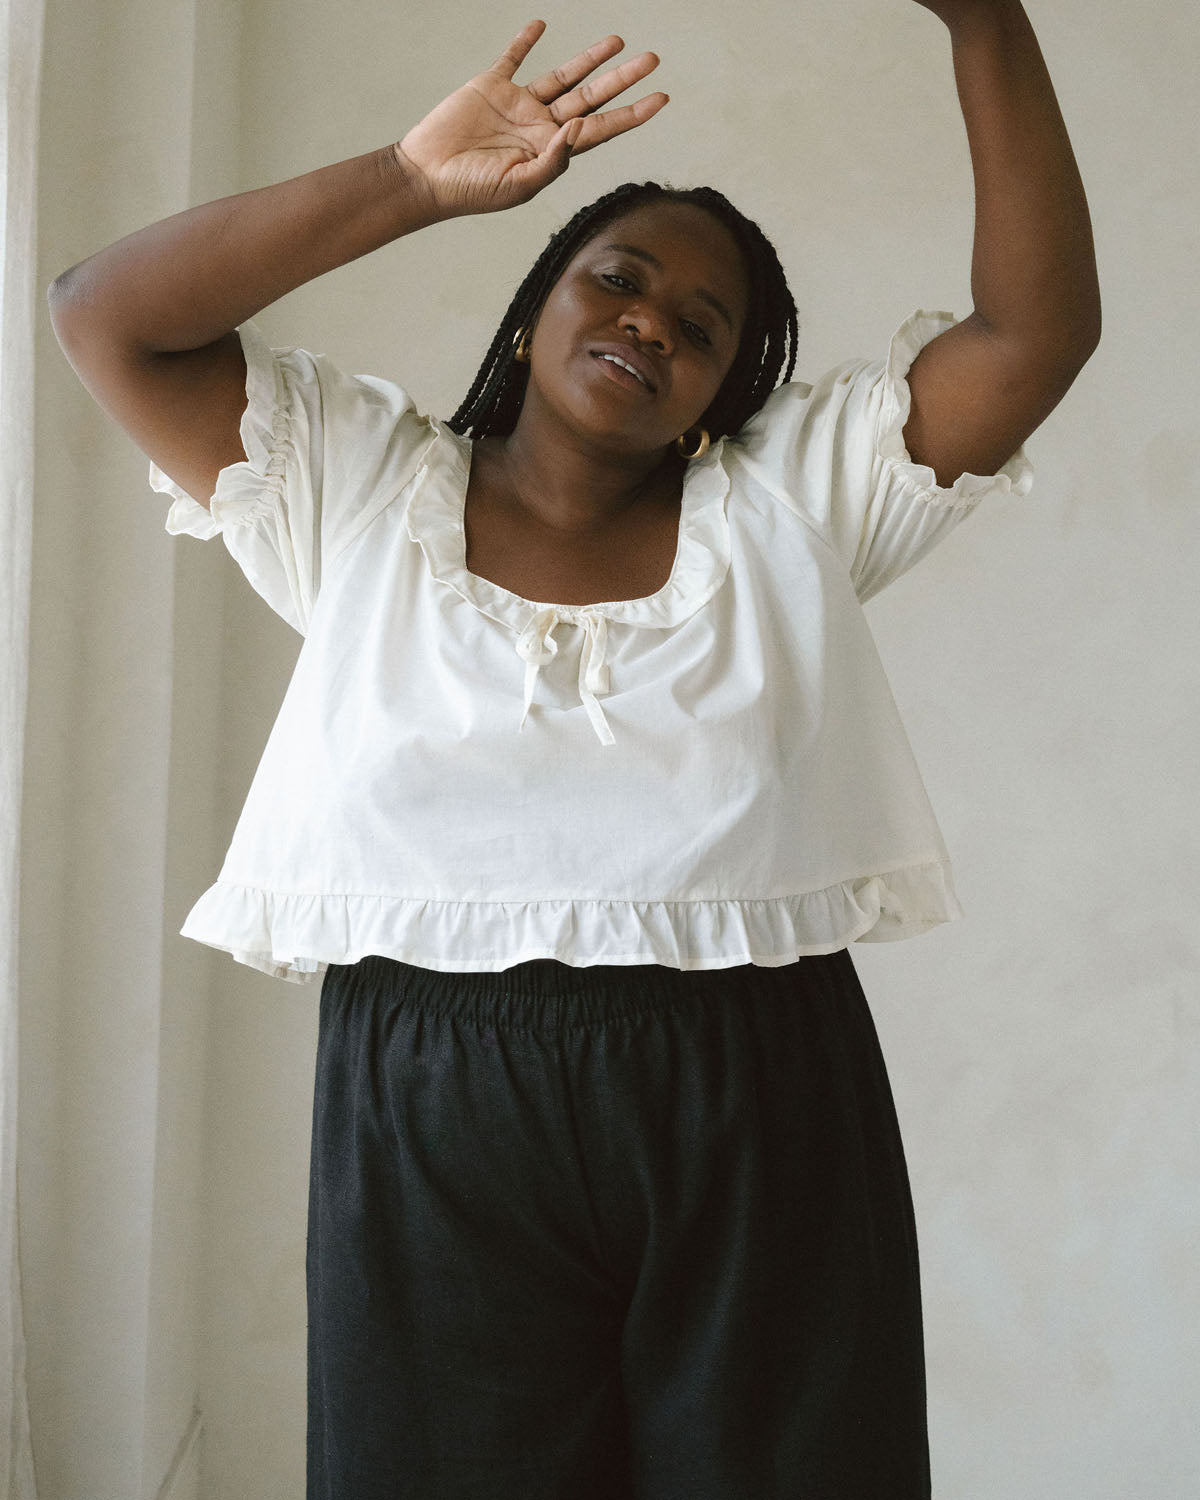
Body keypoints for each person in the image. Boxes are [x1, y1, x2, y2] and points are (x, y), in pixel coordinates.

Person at [47, 6, 1100, 1496]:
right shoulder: (350, 492)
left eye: (704, 323)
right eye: (619, 276)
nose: (652, 320)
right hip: (430, 1094)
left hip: (752, 1086)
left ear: (726, 392)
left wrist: (984, 22)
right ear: (537, 301)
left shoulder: (789, 507)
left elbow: (1034, 336)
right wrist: (409, 184)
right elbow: (105, 311)